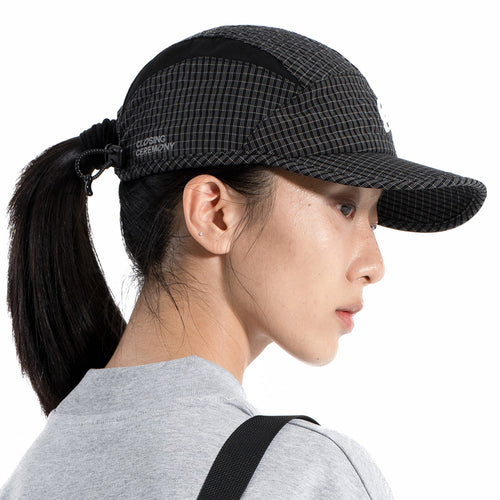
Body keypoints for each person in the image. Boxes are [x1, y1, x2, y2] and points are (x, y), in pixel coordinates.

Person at [0, 24, 486, 499]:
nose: (374, 265)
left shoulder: (31, 475)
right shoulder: (306, 475)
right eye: (344, 207)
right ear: (214, 214)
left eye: (373, 222)